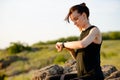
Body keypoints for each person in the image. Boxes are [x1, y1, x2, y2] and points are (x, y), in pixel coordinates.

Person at [55, 2, 104, 80]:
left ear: (84, 15)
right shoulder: (81, 33)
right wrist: (71, 51)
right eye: (72, 21)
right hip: (81, 75)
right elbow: (79, 59)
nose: (74, 23)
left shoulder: (94, 30)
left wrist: (64, 44)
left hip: (93, 76)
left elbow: (82, 44)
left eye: (76, 19)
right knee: (50, 79)